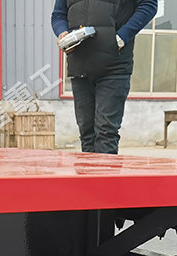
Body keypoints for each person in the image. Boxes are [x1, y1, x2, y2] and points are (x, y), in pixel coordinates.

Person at [51, 0, 158, 155]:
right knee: (86, 132)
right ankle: (88, 171)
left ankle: (105, 171)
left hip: (114, 67)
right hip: (80, 67)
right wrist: (62, 33)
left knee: (106, 131)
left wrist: (121, 37)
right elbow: (58, 15)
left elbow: (149, 5)